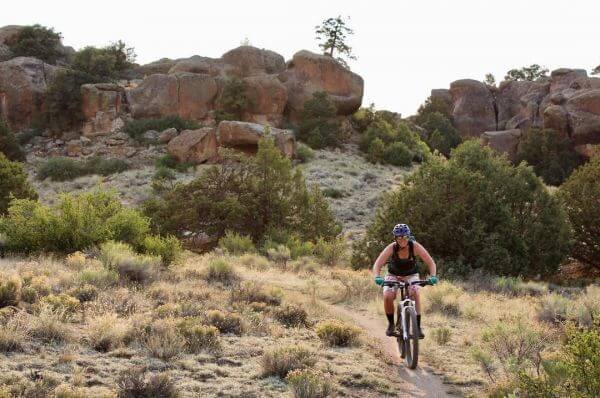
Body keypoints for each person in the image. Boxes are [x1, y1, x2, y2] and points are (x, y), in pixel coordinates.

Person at [372, 223, 438, 338]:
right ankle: (391, 325)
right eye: (399, 237)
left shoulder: (415, 246)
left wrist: (433, 276)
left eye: (405, 237)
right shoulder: (391, 247)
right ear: (395, 238)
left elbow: (430, 262)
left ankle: (417, 327)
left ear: (409, 236)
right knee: (388, 296)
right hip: (394, 275)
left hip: (411, 275)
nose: (403, 240)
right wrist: (377, 276)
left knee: (416, 293)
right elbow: (378, 263)